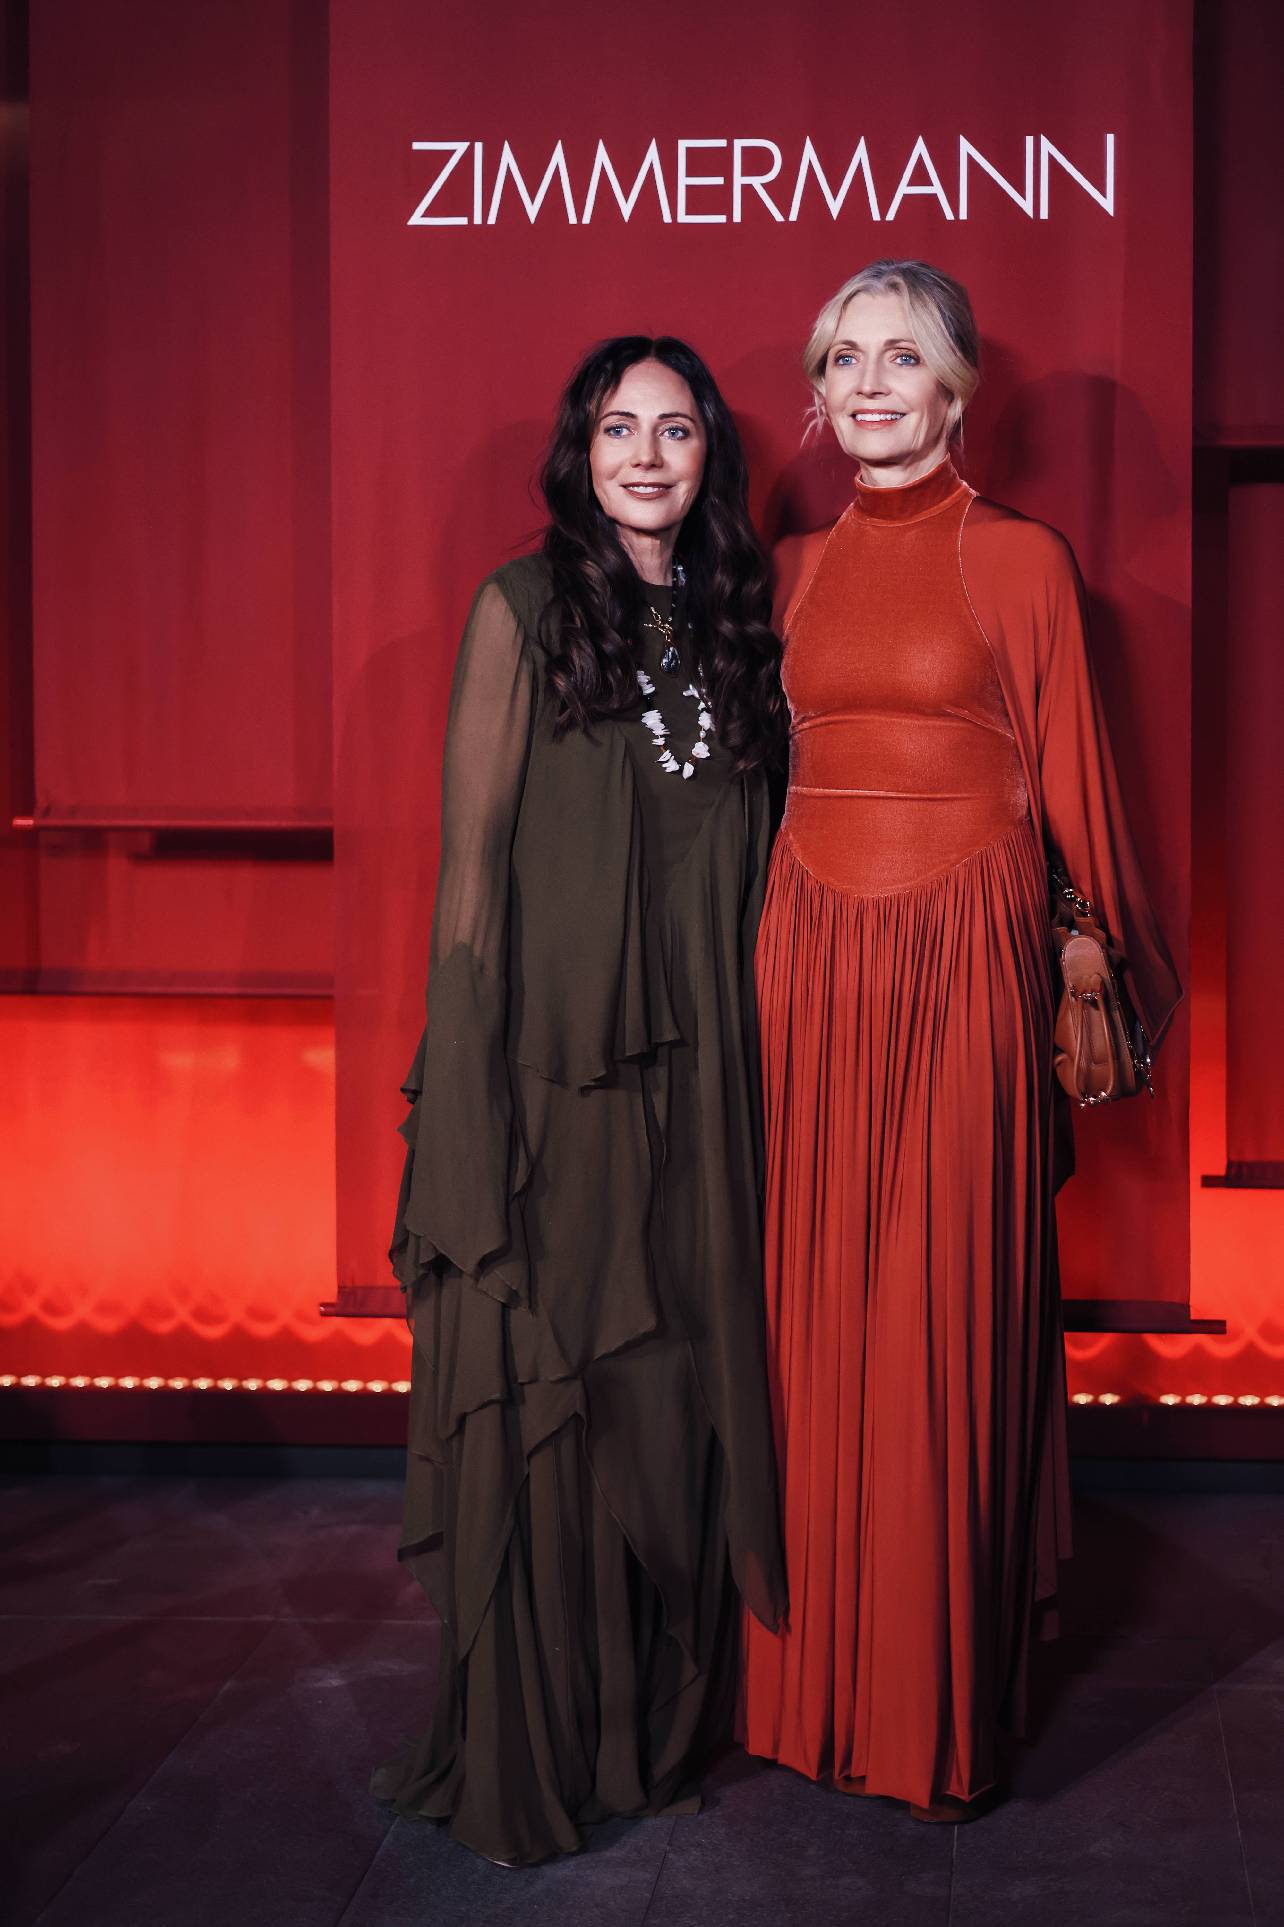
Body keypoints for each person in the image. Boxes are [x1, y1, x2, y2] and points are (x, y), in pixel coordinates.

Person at [740, 260, 1181, 1821]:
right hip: (805, 970)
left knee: (941, 1316)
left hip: (962, 971)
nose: (871, 384)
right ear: (819, 390)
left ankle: (928, 1706)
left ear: (956, 386)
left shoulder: (1021, 561)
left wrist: (1096, 957)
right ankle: (805, 1691)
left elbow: (1080, 789)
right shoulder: (787, 571)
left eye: (903, 357)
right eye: (845, 358)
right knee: (807, 1322)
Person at [373, 335, 788, 1865]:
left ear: (710, 455)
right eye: (620, 429)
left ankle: (651, 1731)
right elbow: (471, 880)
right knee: (570, 1403)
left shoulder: (742, 621)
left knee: (675, 1400)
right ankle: (543, 1747)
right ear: (580, 451)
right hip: (564, 1090)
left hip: (714, 1091)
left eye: (675, 431)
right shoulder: (522, 609)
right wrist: (470, 1107)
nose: (647, 457)